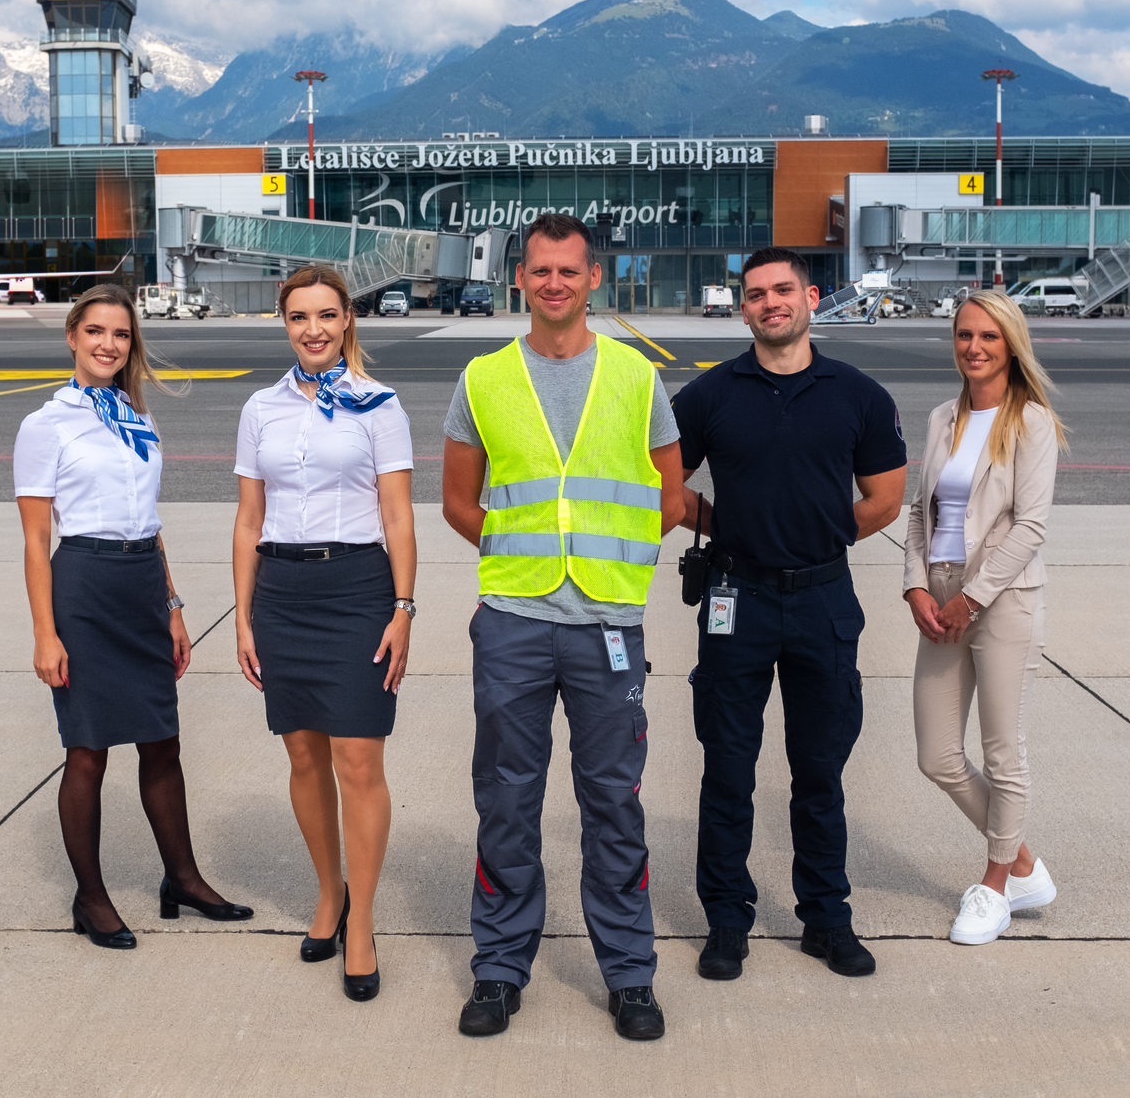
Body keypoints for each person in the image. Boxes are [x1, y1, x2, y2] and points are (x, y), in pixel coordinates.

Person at [442, 213, 685, 1042]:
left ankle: (630, 974)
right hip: (514, 616)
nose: (554, 283)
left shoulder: (636, 375)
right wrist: (521, 554)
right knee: (506, 800)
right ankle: (500, 966)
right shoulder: (482, 378)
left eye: (568, 271)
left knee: (614, 801)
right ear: (521, 279)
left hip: (608, 621)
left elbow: (670, 495)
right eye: (539, 270)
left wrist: (611, 567)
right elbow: (456, 501)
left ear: (593, 280)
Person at [670, 248, 906, 983]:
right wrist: (732, 524)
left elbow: (885, 497)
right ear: (742, 309)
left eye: (783, 290)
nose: (770, 303)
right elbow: (667, 489)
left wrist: (819, 534)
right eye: (755, 294)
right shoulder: (710, 396)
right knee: (727, 768)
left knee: (820, 771)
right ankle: (727, 920)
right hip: (734, 598)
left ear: (810, 298)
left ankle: (826, 918)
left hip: (823, 599)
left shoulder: (857, 394)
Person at [13, 284, 251, 952]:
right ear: (71, 336)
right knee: (87, 749)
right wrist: (44, 632)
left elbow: (151, 520)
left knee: (161, 741)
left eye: (120, 334)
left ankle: (183, 877)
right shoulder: (47, 423)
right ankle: (90, 897)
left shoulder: (135, 416)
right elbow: (35, 540)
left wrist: (172, 606)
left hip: (142, 581)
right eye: (95, 331)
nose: (108, 344)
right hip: (85, 585)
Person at [232, 265, 417, 1003]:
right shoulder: (259, 408)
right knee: (304, 755)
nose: (313, 329)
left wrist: (404, 607)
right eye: (299, 317)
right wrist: (242, 614)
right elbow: (249, 518)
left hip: (357, 590)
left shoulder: (381, 405)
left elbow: (398, 515)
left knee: (358, 761)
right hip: (281, 592)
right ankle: (328, 894)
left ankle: (363, 923)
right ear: (285, 324)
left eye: (326, 315)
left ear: (348, 321)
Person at [901, 288, 1066, 945]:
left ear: (1011, 345)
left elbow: (1031, 525)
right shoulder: (944, 416)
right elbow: (919, 514)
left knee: (1003, 752)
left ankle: (996, 886)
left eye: (988, 337)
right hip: (940, 598)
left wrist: (974, 595)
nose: (974, 347)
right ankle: (1023, 861)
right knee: (937, 754)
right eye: (965, 335)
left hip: (1003, 600)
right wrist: (916, 586)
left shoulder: (1031, 422)